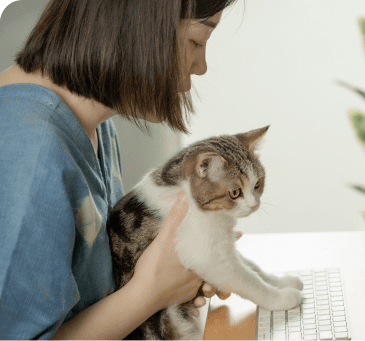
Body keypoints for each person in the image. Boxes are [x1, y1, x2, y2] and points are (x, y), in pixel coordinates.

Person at [0, 0, 239, 339]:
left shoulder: (92, 126)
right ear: (137, 24)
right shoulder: (29, 153)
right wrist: (150, 290)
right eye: (196, 42)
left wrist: (172, 266)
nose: (200, 66)